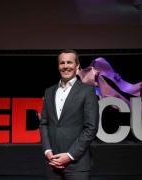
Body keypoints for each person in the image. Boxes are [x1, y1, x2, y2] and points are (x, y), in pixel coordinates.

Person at [39, 49, 99, 180]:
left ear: (77, 66)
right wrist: (47, 151)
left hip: (77, 164)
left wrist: (70, 155)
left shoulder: (87, 91)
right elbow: (44, 123)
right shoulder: (49, 92)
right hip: (52, 163)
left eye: (69, 62)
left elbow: (91, 127)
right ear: (58, 66)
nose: (65, 66)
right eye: (62, 63)